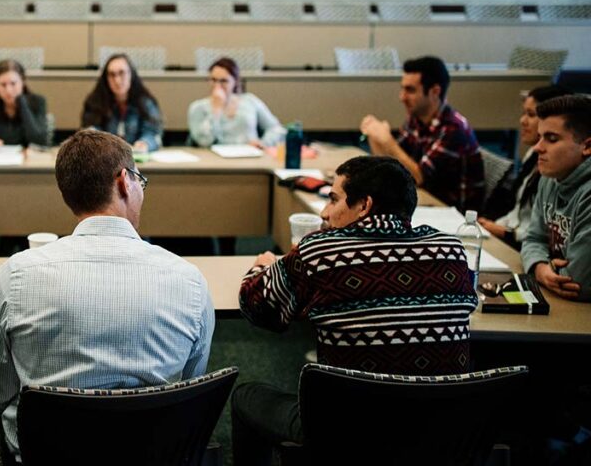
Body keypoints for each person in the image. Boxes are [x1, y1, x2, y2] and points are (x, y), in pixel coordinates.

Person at [0, 129, 215, 463]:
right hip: (153, 453)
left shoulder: (15, 277)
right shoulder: (190, 282)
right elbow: (188, 389)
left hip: (46, 455)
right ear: (123, 181)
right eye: (140, 182)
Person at [231, 155, 478, 465]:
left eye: (333, 199)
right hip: (443, 430)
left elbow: (257, 307)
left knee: (246, 395)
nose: (323, 211)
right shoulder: (452, 251)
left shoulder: (321, 250)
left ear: (364, 206)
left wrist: (263, 267)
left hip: (346, 432)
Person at [359, 56, 485, 212]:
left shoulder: (454, 129)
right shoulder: (417, 119)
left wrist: (387, 141)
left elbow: (419, 178)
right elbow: (394, 167)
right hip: (424, 202)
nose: (402, 97)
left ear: (434, 92)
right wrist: (375, 137)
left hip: (451, 215)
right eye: (402, 89)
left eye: (410, 90)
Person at [479, 85, 572, 249]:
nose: (522, 121)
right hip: (517, 240)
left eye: (531, 114)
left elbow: (541, 234)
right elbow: (518, 212)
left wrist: (503, 231)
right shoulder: (533, 155)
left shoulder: (556, 169)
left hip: (520, 244)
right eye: (524, 113)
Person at [522, 94, 591, 301]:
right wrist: (542, 268)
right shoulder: (550, 178)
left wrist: (542, 265)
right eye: (540, 137)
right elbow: (532, 238)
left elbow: (577, 283)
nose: (537, 147)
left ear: (587, 147)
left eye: (551, 139)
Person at [188, 57, 285, 148]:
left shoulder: (250, 101)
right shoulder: (198, 107)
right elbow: (204, 141)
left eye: (224, 81)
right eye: (213, 80)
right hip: (214, 161)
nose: (217, 85)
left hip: (249, 157)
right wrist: (216, 110)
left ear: (235, 82)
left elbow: (277, 129)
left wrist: (263, 143)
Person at [81, 53, 162, 152]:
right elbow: (89, 131)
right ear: (106, 79)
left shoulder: (145, 103)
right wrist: (93, 138)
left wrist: (144, 143)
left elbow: (153, 134)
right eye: (112, 75)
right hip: (105, 160)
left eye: (122, 73)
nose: (117, 80)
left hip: (136, 160)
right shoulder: (95, 101)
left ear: (131, 75)